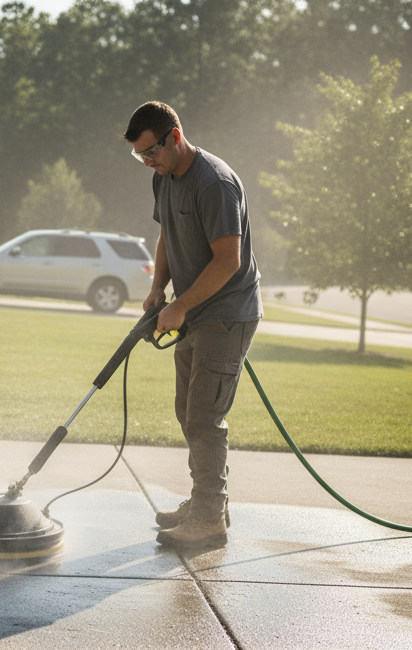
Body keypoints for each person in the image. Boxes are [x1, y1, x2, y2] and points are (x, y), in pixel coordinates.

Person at [124, 101, 262, 546]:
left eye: (152, 152)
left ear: (175, 136)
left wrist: (179, 307)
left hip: (226, 314)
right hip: (192, 311)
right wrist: (156, 290)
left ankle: (207, 517)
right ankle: (208, 502)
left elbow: (228, 261)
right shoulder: (163, 179)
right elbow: (166, 233)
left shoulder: (215, 183)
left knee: (205, 415)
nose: (149, 162)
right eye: (141, 156)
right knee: (188, 410)